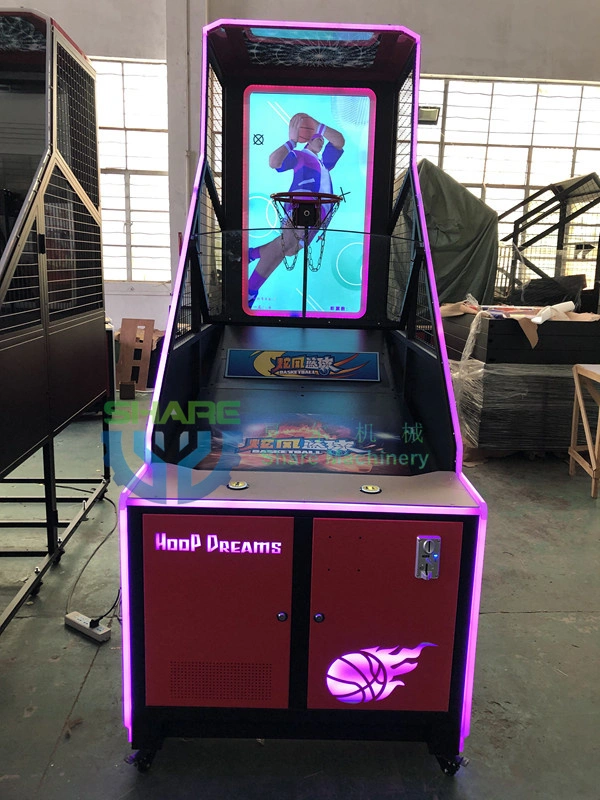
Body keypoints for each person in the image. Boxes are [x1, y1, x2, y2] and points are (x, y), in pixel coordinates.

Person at [247, 113, 345, 308]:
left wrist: (319, 126)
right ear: (307, 142)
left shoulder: (325, 163)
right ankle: (249, 292)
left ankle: (249, 254)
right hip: (304, 206)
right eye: (316, 137)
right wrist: (292, 142)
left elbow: (339, 141)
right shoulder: (299, 155)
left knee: (291, 249)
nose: (321, 139)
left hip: (321, 213)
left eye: (322, 139)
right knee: (287, 244)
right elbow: (274, 162)